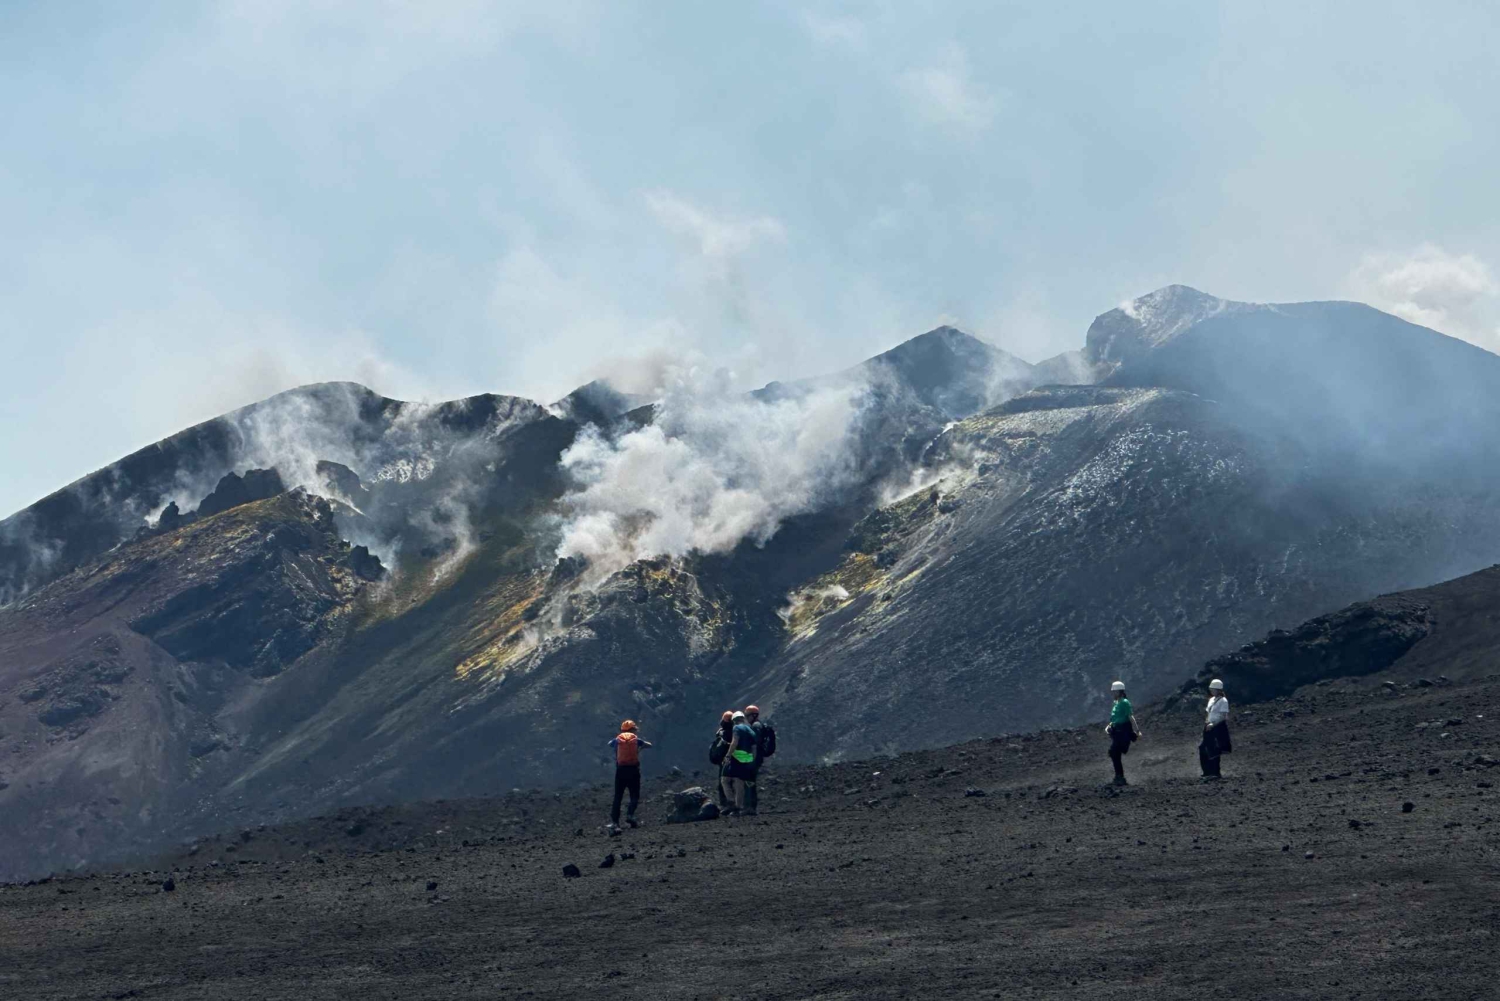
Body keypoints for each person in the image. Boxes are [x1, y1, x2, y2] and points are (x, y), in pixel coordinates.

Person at [608, 719, 652, 832]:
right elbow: (649, 745)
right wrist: (640, 747)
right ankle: (630, 815)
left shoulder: (618, 739)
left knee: (618, 796)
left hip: (621, 771)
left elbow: (609, 744)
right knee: (634, 795)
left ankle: (615, 822)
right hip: (633, 770)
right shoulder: (636, 739)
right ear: (633, 729)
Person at [721, 711, 759, 816]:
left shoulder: (736, 728)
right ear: (743, 718)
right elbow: (754, 747)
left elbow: (734, 742)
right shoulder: (750, 729)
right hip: (748, 759)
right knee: (739, 782)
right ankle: (739, 806)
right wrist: (752, 760)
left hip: (737, 757)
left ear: (734, 721)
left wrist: (728, 755)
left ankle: (733, 804)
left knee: (725, 780)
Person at [742, 704, 776, 814]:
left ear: (753, 715)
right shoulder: (759, 725)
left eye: (748, 715)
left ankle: (749, 808)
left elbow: (754, 743)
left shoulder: (756, 726)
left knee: (749, 782)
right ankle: (750, 807)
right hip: (757, 758)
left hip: (754, 758)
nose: (747, 718)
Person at [1105, 681, 1139, 786]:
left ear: (1119, 691)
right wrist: (1109, 726)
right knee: (1114, 753)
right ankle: (1119, 776)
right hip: (1116, 732)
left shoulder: (1124, 702)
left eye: (1114, 691)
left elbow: (1130, 716)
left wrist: (1137, 730)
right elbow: (1114, 718)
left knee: (1114, 752)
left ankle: (1120, 777)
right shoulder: (1116, 703)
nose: (1113, 693)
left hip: (1123, 732)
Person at [1199, 679, 1232, 780]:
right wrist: (1207, 722)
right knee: (1203, 748)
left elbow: (1223, 716)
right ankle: (1207, 771)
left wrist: (1213, 724)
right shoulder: (1211, 699)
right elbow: (1209, 713)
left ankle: (1215, 773)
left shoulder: (1223, 701)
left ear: (1217, 689)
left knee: (1214, 749)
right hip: (1209, 726)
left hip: (1217, 727)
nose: (1211, 690)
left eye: (1213, 689)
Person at [709, 711, 735, 808]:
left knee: (723, 784)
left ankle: (726, 805)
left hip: (724, 762)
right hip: (736, 761)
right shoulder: (737, 732)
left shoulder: (722, 733)